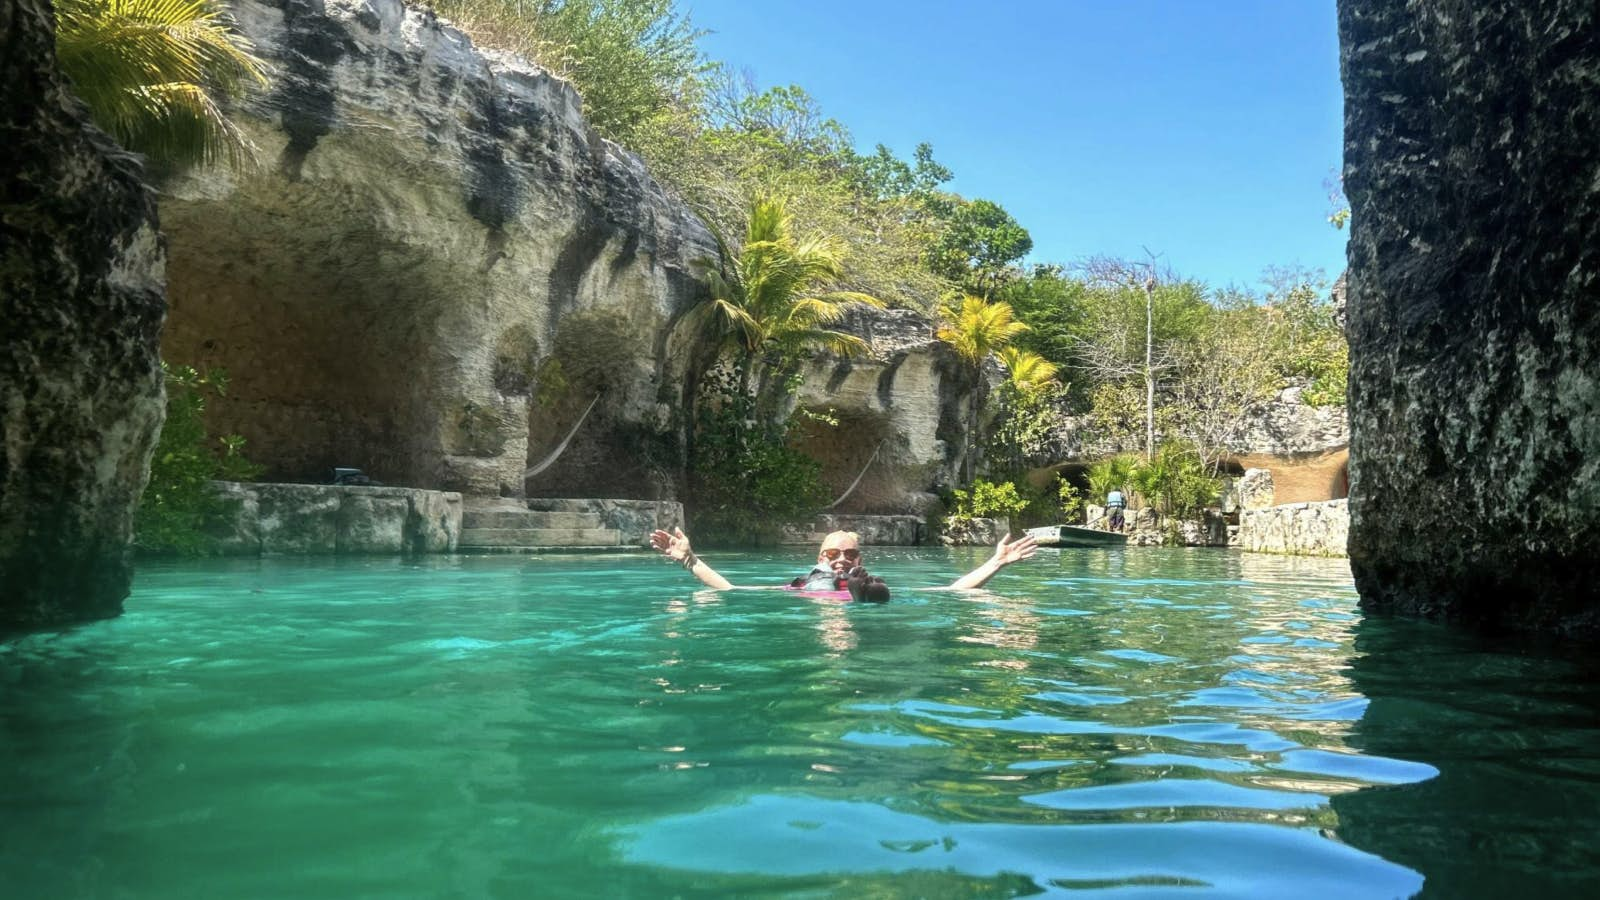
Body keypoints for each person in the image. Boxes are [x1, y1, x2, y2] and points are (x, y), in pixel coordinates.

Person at [648, 527, 1040, 601]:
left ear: (859, 559)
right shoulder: (801, 588)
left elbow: (951, 591)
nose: (840, 559)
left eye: (849, 554)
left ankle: (861, 599)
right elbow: (733, 592)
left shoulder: (870, 581)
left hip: (866, 602)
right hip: (826, 604)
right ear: (820, 559)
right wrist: (690, 561)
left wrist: (996, 562)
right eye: (833, 554)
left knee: (872, 593)